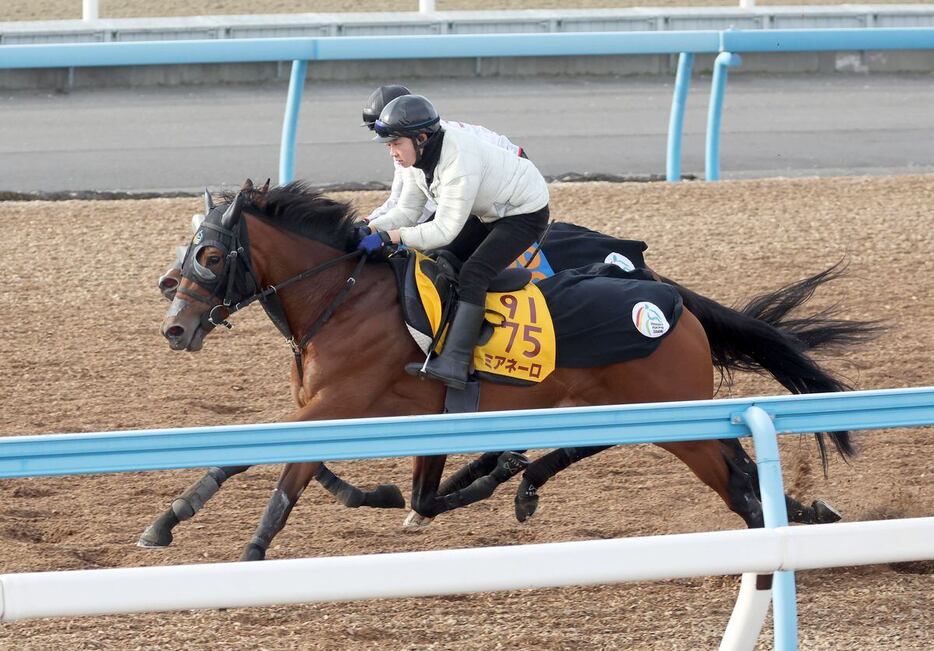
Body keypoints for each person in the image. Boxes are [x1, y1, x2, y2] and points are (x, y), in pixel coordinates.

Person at [357, 94, 549, 390]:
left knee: (474, 273)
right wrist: (368, 228)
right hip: (492, 210)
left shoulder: (458, 159)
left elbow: (444, 229)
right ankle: (452, 334)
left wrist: (392, 237)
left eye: (396, 144)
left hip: (524, 213)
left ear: (421, 137)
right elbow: (407, 211)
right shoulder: (418, 158)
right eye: (389, 145)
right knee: (443, 259)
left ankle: (456, 362)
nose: (391, 153)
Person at [360, 85, 525, 225]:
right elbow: (400, 199)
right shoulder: (412, 140)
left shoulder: (426, 144)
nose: (383, 137)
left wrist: (373, 226)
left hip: (513, 172)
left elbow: (423, 208)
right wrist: (369, 222)